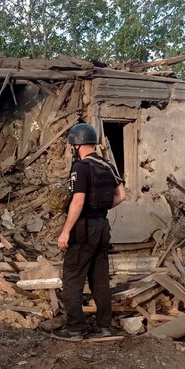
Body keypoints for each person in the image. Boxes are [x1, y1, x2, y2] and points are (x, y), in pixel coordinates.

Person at [56, 122, 126, 340]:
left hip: (84, 228)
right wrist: (100, 209)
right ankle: (104, 326)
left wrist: (66, 231)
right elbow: (121, 195)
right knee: (100, 280)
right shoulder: (108, 166)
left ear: (76, 145)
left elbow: (78, 200)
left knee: (72, 277)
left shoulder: (81, 167)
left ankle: (75, 328)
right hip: (102, 226)